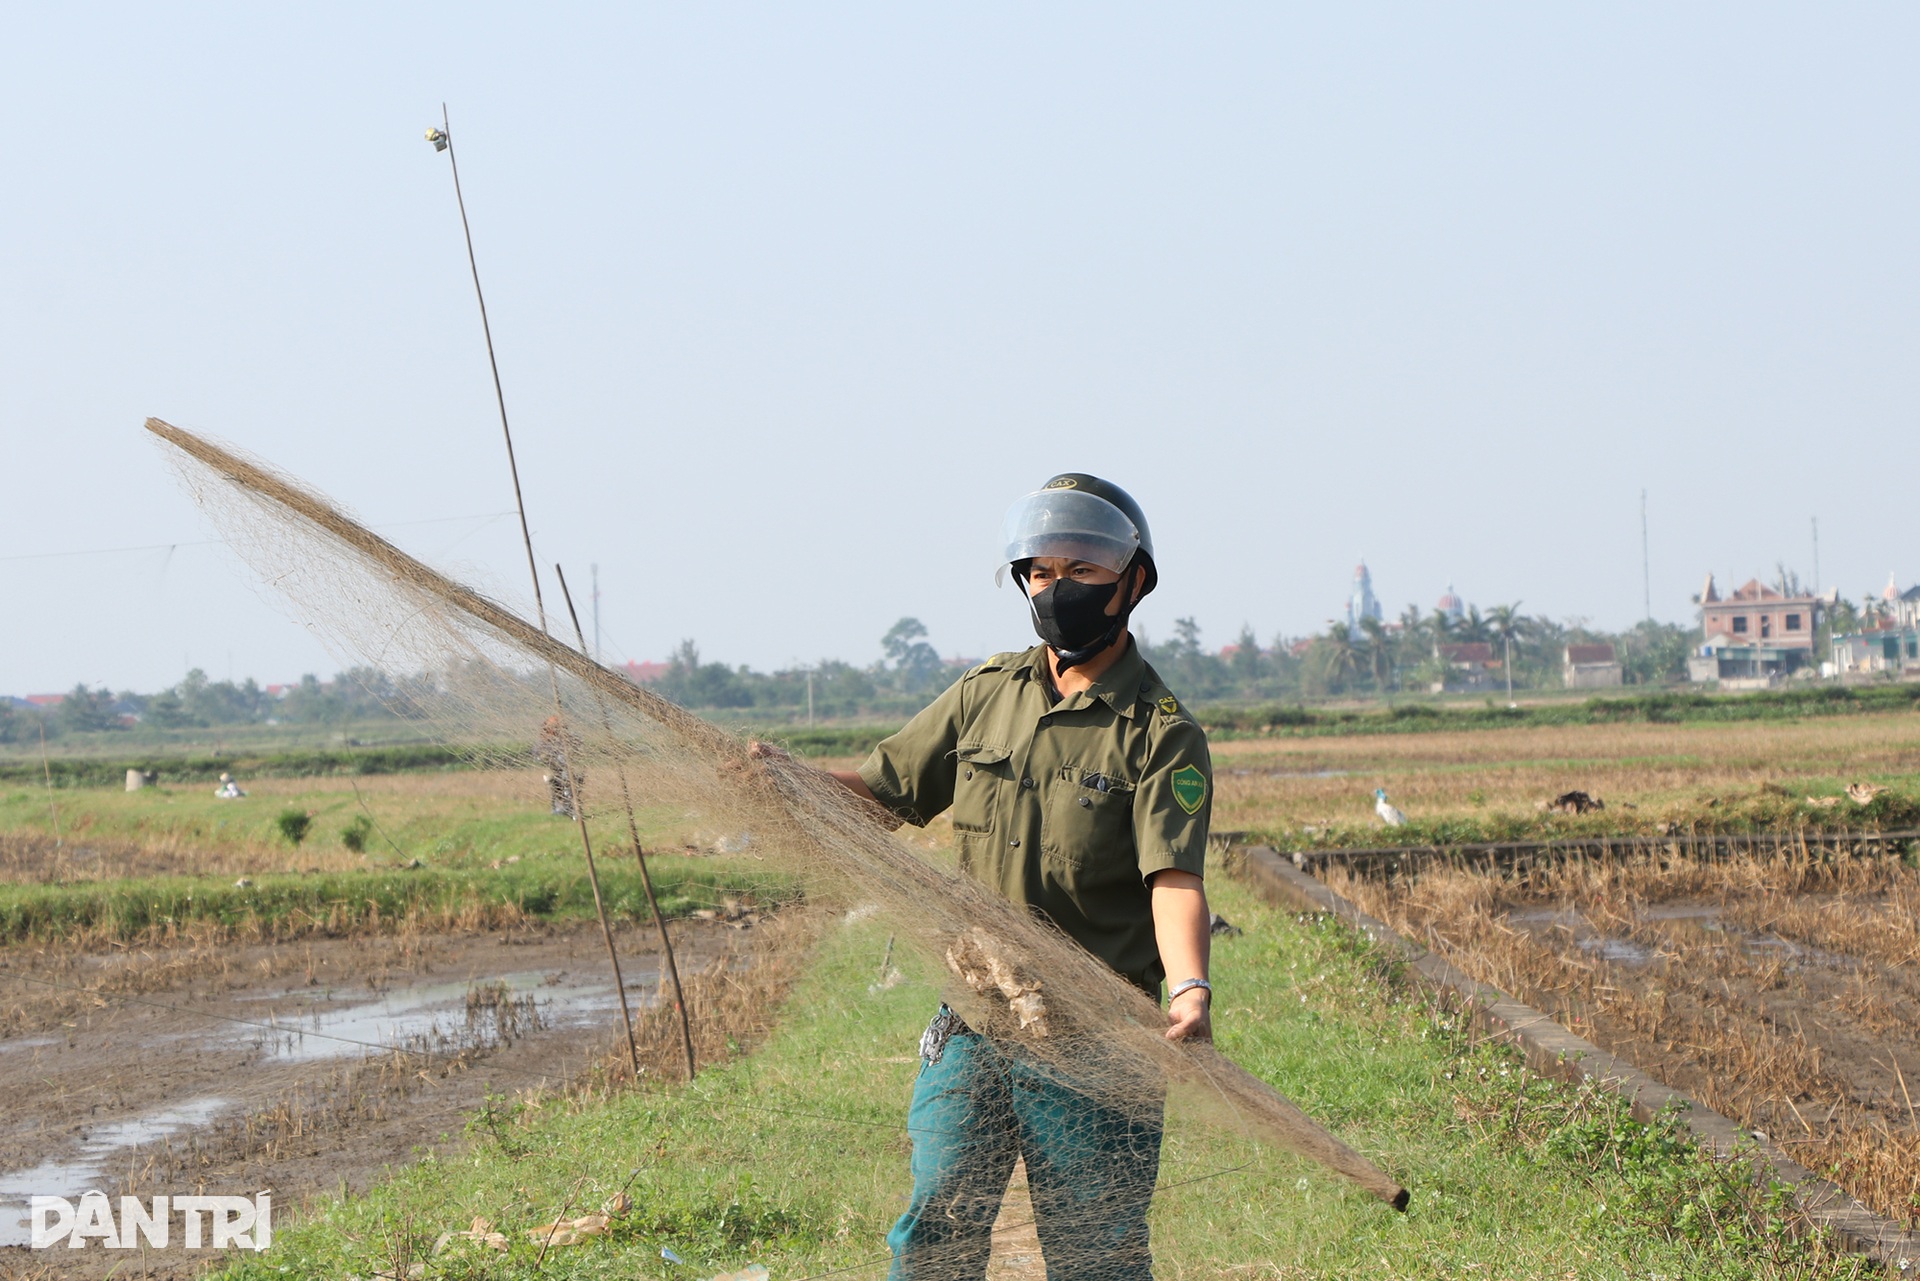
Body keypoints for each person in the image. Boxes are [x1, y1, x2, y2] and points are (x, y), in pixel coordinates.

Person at [771, 474, 1212, 1280]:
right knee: (936, 1220)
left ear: (1132, 582)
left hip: (1097, 1038)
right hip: (975, 1015)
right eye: (1041, 570)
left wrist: (1189, 989)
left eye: (1081, 569)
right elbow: (878, 796)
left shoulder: (1159, 731)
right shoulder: (985, 696)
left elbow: (1173, 876)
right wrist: (791, 784)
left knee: (1096, 1255)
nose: (1057, 587)